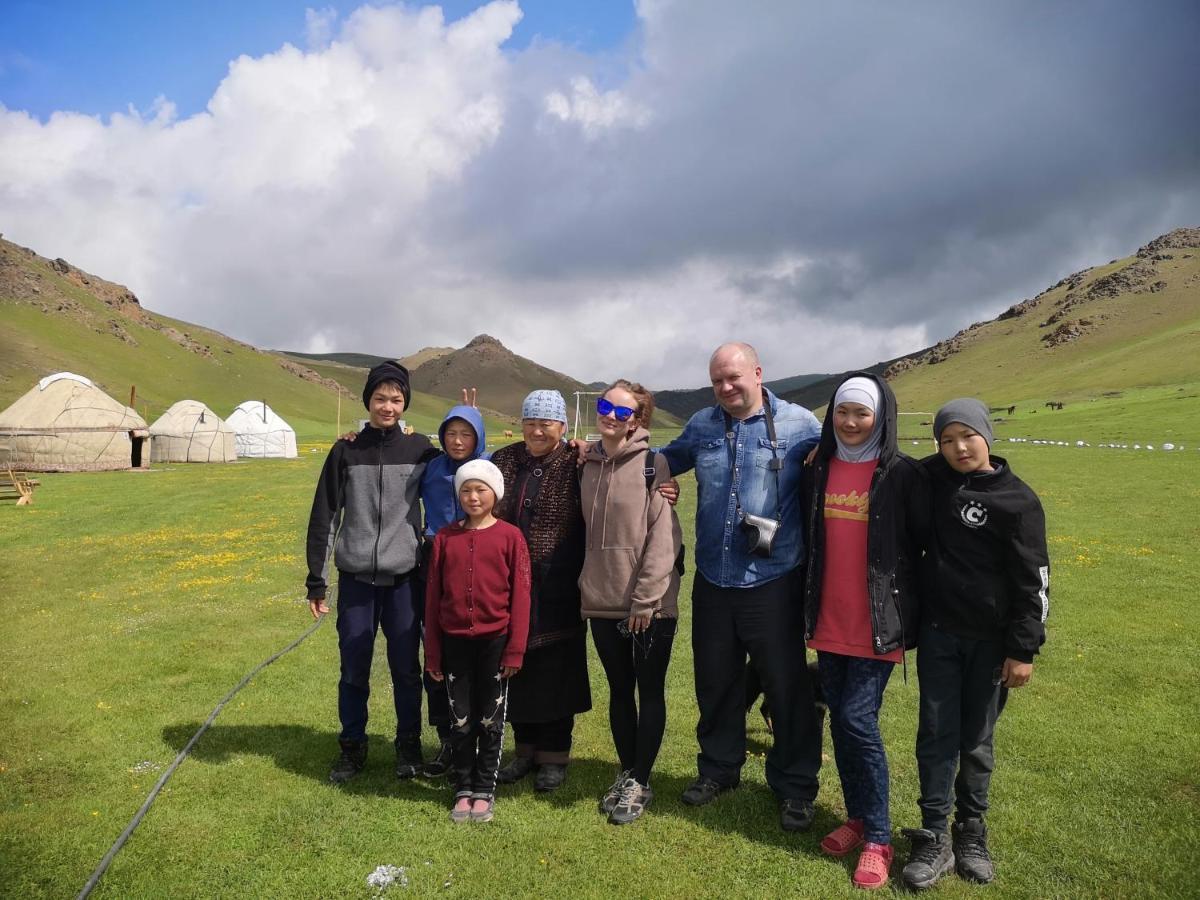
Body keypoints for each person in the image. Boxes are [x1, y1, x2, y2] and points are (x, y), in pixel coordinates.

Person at [658, 342, 823, 832]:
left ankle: (795, 786)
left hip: (774, 581)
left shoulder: (800, 425)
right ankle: (719, 769)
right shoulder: (703, 425)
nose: (726, 388)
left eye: (733, 377)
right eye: (716, 381)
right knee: (716, 681)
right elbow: (664, 460)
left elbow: (841, 465)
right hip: (713, 577)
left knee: (786, 685)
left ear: (757, 372)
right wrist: (611, 456)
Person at [901, 399, 1049, 890]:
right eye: (946, 439)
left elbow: (1034, 581)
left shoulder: (1018, 501)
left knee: (977, 741)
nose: (959, 447)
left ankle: (970, 832)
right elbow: (886, 463)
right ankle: (933, 836)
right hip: (939, 635)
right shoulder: (933, 478)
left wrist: (1024, 648)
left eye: (968, 435)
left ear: (987, 435)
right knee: (935, 734)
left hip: (991, 644)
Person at [801, 374, 925, 890]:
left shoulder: (901, 475)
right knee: (840, 721)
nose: (850, 423)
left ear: (882, 417)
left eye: (862, 414)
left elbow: (925, 544)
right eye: (842, 413)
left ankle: (878, 837)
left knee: (856, 720)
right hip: (828, 618)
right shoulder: (817, 467)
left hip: (876, 623)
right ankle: (855, 816)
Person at [305, 361, 439, 783]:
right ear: (368, 401)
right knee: (353, 668)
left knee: (405, 668)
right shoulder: (345, 451)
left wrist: (473, 428)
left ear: (405, 404)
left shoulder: (421, 450)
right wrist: (316, 578)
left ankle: (408, 746)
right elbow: (324, 516)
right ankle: (352, 747)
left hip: (404, 581)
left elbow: (466, 467)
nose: (388, 406)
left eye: (396, 399)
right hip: (357, 580)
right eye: (380, 398)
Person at [578, 380, 683, 825]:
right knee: (619, 691)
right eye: (605, 406)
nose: (610, 416)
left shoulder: (652, 465)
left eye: (622, 412)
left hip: (649, 607)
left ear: (637, 420)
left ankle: (641, 780)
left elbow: (665, 539)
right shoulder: (583, 462)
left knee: (649, 691)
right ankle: (626, 772)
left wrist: (645, 601)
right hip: (601, 599)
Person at [491, 390, 591, 791]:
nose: (536, 430)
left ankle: (555, 757)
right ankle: (524, 751)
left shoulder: (576, 460)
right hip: (508, 579)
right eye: (530, 422)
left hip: (560, 580)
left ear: (562, 427)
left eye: (545, 423)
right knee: (517, 663)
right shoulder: (505, 459)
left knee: (556, 667)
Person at [424, 459, 531, 822]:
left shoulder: (510, 537)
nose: (473, 496)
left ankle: (485, 787)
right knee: (460, 717)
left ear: (495, 494)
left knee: (490, 718)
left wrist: (515, 648)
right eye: (466, 490)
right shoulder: (445, 538)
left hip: (495, 642)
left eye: (480, 489)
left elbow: (521, 596)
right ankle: (463, 786)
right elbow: (433, 599)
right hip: (454, 643)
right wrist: (433, 655)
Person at [417, 404, 489, 777]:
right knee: (437, 654)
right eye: (451, 433)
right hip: (434, 558)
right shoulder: (429, 465)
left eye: (467, 433)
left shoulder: (491, 466)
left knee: (476, 657)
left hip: (477, 560)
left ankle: (482, 740)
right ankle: (448, 738)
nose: (458, 441)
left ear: (479, 436)